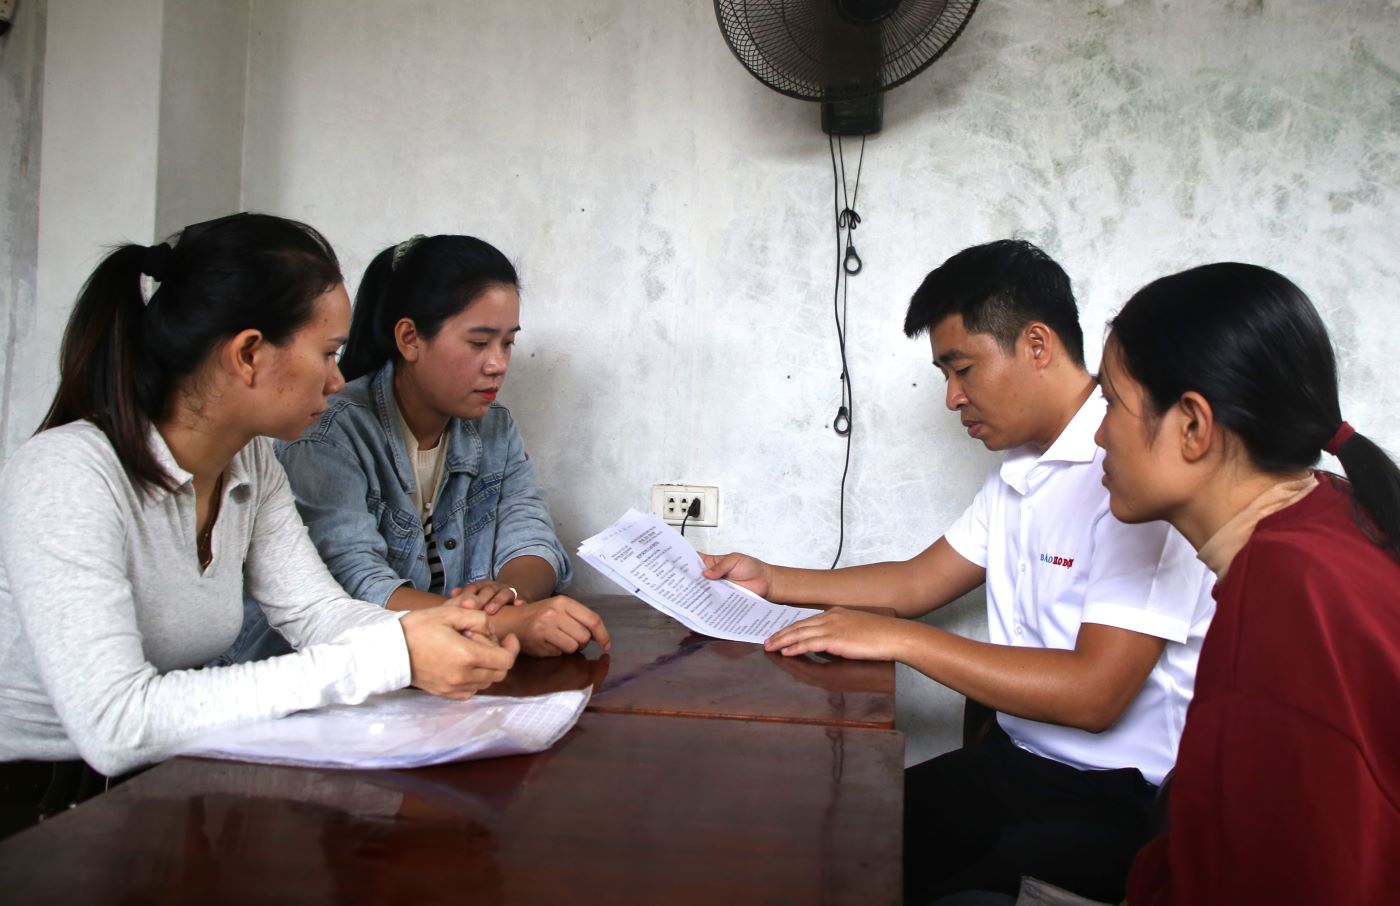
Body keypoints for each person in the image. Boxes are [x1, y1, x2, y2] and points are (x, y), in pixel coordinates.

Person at [702, 240, 1215, 904]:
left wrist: (905, 642)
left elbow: (1096, 695)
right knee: (829, 842)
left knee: (891, 879)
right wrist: (772, 577)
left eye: (962, 368)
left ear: (1036, 345)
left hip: (1115, 797)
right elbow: (916, 583)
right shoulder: (1022, 474)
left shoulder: (1136, 475)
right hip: (1018, 762)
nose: (952, 397)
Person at [0, 214, 519, 839]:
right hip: (30, 804)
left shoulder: (251, 462)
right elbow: (115, 724)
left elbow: (315, 612)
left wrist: (437, 629)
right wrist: (394, 654)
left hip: (153, 779)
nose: (338, 378)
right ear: (248, 354)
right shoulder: (68, 475)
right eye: (328, 353)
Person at [1093, 263, 1400, 904]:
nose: (1099, 437)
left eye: (1110, 404)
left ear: (1193, 426)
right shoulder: (1333, 509)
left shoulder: (1288, 591)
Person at [220, 234, 608, 666]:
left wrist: (511, 595)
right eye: (479, 343)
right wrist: (498, 625)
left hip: (433, 669)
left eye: (508, 343)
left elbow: (531, 535)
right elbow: (353, 586)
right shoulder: (327, 432)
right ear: (409, 338)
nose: (498, 363)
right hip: (319, 672)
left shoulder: (495, 428)